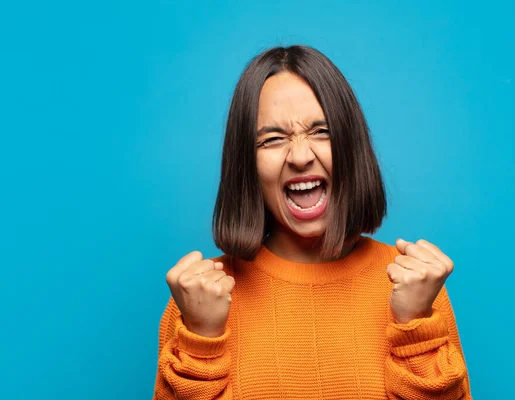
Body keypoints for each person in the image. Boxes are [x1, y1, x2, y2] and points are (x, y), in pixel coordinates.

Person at [153, 45, 471, 399]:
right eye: (272, 139)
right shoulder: (200, 298)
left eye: (321, 132)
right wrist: (202, 340)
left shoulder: (418, 290)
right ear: (247, 165)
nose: (301, 157)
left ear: (351, 147)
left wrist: (416, 328)